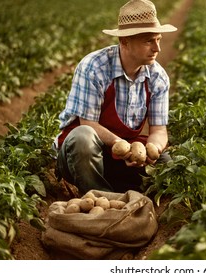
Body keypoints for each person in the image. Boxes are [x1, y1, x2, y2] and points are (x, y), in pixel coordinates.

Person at [54, 0, 177, 194]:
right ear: (125, 41)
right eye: (148, 41)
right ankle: (98, 195)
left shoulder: (158, 77)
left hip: (121, 157)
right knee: (83, 137)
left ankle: (121, 192)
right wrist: (123, 146)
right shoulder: (94, 67)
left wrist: (153, 148)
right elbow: (88, 123)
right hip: (83, 156)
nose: (157, 48)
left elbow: (159, 129)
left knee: (167, 164)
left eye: (158, 39)